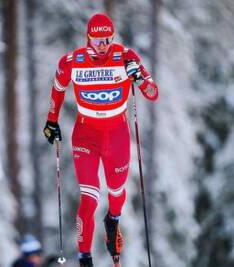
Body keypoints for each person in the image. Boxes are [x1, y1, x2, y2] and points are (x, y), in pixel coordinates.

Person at [43, 13, 159, 267]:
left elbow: (153, 93)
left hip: (117, 134)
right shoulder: (73, 62)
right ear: (88, 40)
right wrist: (52, 120)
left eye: (107, 40)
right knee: (89, 196)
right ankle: (85, 258)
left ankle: (113, 220)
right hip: (86, 134)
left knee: (117, 192)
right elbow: (58, 87)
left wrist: (137, 77)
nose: (103, 46)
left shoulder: (126, 56)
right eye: (97, 41)